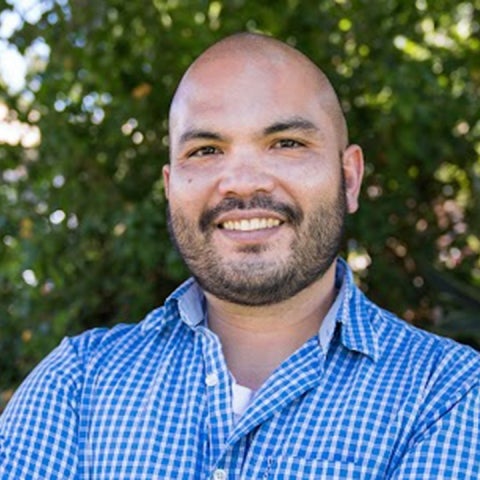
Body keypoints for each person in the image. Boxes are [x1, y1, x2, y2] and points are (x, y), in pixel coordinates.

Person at [1, 33, 479, 480]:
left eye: (287, 143)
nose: (244, 181)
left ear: (349, 178)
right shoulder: (75, 386)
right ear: (171, 190)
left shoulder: (448, 395)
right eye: (207, 150)